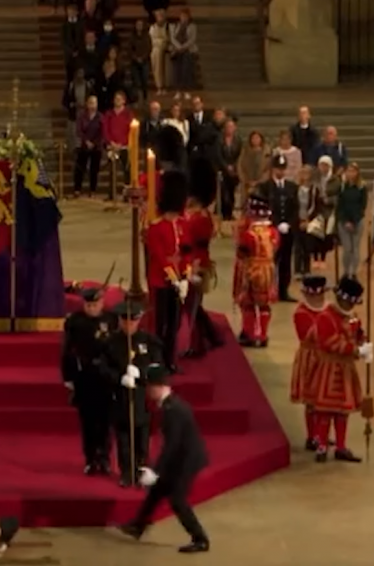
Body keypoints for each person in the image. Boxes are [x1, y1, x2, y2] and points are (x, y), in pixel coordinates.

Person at [118, 364, 210, 554]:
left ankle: (200, 539)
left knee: (177, 499)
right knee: (158, 490)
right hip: (181, 456)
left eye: (149, 386)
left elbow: (172, 446)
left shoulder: (173, 410)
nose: (147, 391)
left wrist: (155, 471)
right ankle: (138, 525)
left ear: (157, 386)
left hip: (187, 460)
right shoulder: (170, 404)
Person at [307, 277, 372, 463]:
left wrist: (364, 342)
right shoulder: (325, 317)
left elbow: (358, 334)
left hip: (345, 369)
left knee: (342, 411)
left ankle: (341, 447)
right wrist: (356, 350)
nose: (350, 304)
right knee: (325, 410)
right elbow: (330, 343)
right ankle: (321, 445)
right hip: (328, 367)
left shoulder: (352, 316)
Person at [102, 301, 163, 487]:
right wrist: (119, 377)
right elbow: (103, 367)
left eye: (133, 321)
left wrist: (142, 374)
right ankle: (126, 471)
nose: (129, 325)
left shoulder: (149, 342)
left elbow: (158, 367)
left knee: (142, 435)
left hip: (142, 397)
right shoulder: (111, 343)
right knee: (123, 437)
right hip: (120, 396)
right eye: (125, 321)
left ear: (139, 321)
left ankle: (141, 468)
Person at [61, 287, 118, 475]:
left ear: (102, 303)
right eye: (88, 305)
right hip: (84, 376)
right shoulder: (75, 322)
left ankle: (104, 457)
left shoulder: (111, 319)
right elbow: (67, 351)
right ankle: (90, 458)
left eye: (95, 304)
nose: (92, 308)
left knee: (106, 420)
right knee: (88, 421)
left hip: (107, 377)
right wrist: (68, 378)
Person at [145, 170, 188, 372]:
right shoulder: (156, 227)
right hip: (161, 281)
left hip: (178, 280)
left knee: (174, 324)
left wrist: (185, 276)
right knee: (161, 325)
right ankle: (159, 361)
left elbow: (187, 250)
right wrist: (174, 278)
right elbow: (160, 256)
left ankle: (170, 360)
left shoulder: (181, 224)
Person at [233, 195, 280, 347]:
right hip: (268, 270)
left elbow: (241, 253)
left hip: (251, 270)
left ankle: (249, 333)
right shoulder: (273, 232)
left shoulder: (248, 234)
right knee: (264, 304)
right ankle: (263, 334)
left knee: (247, 303)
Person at [181, 181, 221, 358]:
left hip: (196, 263)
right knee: (194, 305)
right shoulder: (205, 218)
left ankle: (199, 345)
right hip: (198, 260)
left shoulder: (198, 220)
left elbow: (188, 240)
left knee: (192, 305)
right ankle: (212, 336)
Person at [290, 275, 329, 451]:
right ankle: (311, 435)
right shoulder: (301, 313)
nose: (317, 298)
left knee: (325, 401)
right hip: (311, 359)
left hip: (327, 358)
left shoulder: (328, 310)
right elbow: (307, 336)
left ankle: (322, 434)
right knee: (311, 401)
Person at [259, 154, 299, 302]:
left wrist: (289, 223)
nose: (280, 171)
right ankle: (269, 290)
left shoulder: (292, 187)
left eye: (283, 168)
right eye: (277, 168)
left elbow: (295, 209)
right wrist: (275, 223)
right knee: (270, 262)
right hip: (271, 231)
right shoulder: (265, 187)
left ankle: (283, 291)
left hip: (287, 230)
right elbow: (264, 209)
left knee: (286, 262)